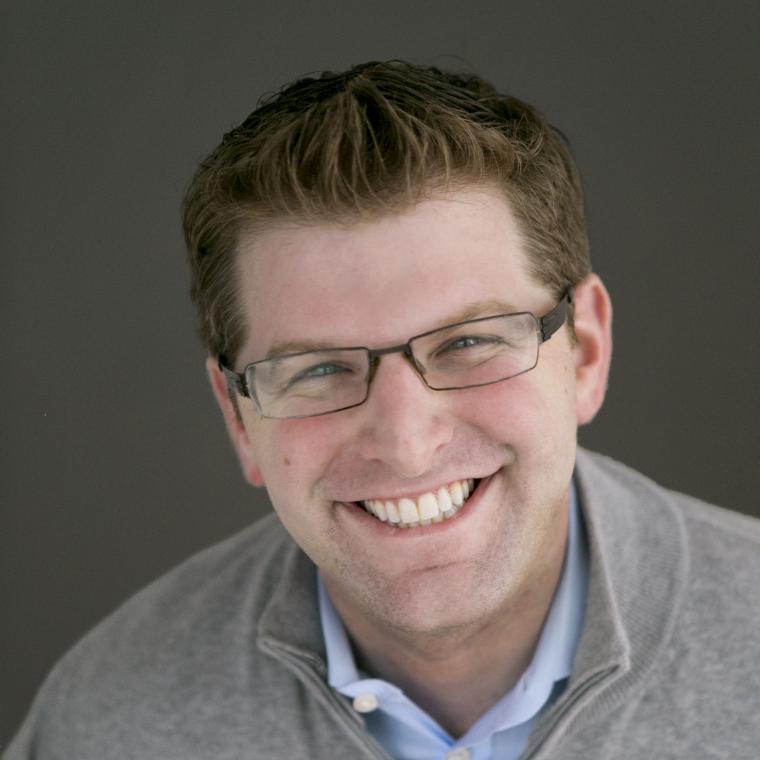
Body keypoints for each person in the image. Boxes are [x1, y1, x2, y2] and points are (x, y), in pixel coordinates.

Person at [4, 60, 759, 760]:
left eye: (467, 342)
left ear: (586, 351)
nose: (406, 443)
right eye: (319, 369)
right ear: (239, 420)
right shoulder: (109, 719)